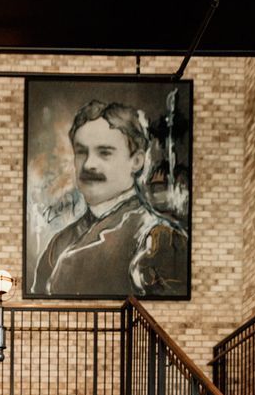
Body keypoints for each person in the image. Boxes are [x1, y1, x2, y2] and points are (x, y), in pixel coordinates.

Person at [33, 100, 188, 298]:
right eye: (81, 152)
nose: (89, 165)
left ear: (136, 161)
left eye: (104, 152)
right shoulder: (58, 244)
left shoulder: (158, 238)